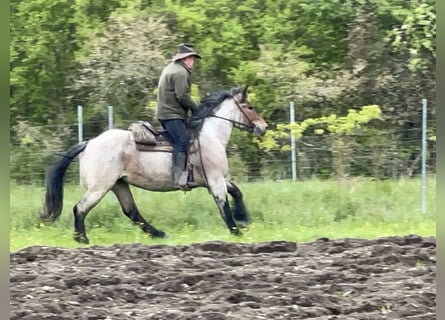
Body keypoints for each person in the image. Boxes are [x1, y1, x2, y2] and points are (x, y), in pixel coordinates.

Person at [156, 43, 201, 190]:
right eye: (192, 58)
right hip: (171, 114)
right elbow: (182, 96)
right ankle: (179, 177)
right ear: (186, 58)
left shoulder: (171, 68)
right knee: (182, 141)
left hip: (166, 113)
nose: (193, 61)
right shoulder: (181, 73)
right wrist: (196, 110)